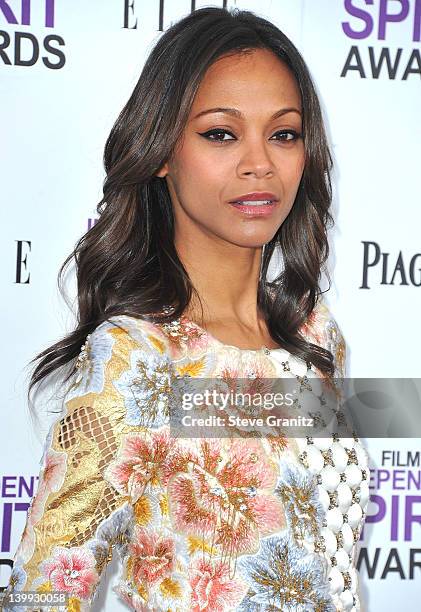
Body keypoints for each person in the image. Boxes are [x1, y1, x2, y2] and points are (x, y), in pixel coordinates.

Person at [2, 7, 369, 611]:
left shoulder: (315, 335)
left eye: (284, 133)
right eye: (221, 134)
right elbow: (39, 596)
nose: (260, 163)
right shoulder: (135, 358)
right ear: (162, 150)